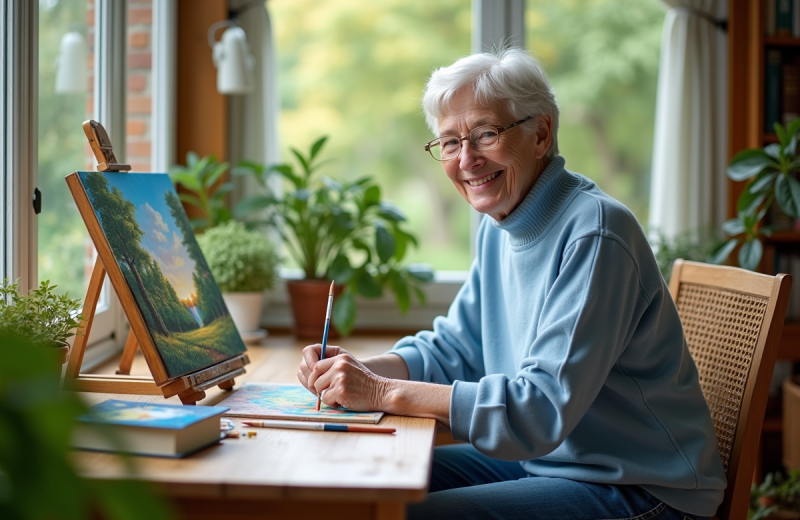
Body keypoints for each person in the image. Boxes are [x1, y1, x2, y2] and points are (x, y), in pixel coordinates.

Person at [297, 48, 726, 520]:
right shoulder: (500, 225)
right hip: (551, 462)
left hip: (640, 488)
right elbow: (457, 350)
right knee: (365, 478)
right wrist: (360, 370)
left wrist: (381, 392)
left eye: (485, 134)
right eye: (450, 142)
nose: (467, 159)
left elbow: (537, 412)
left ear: (540, 134)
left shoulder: (596, 233)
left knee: (405, 514)